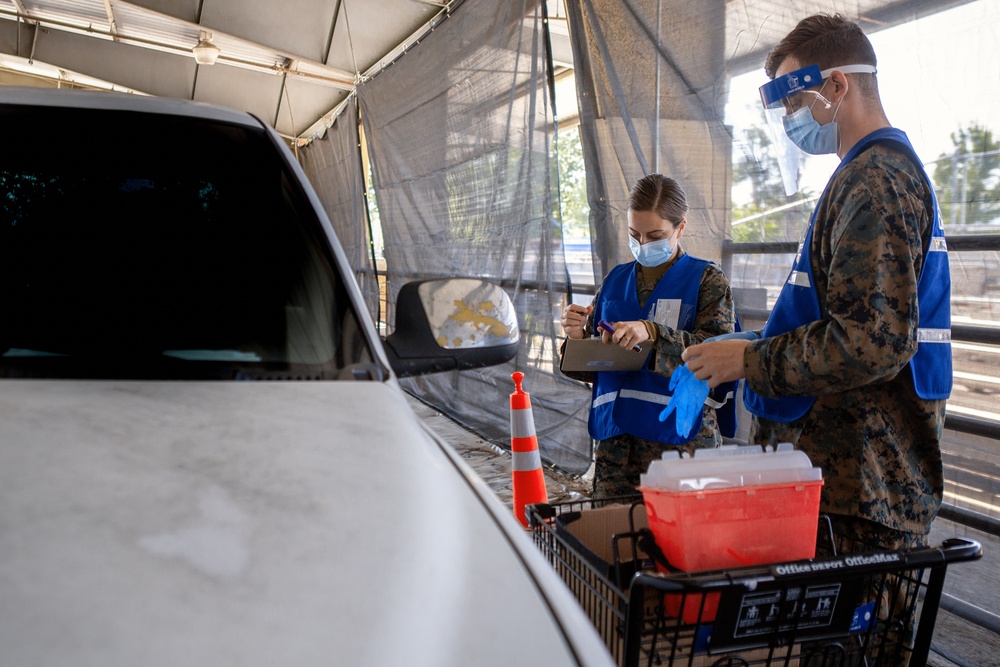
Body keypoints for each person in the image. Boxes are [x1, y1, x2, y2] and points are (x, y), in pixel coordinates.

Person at [682, 14, 952, 555]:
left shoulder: (877, 182)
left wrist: (751, 362)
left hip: (861, 496)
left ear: (836, 85)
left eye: (794, 103)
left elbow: (873, 342)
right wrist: (751, 349)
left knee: (850, 641)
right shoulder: (864, 176)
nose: (790, 121)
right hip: (844, 489)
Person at [560, 174, 738, 499]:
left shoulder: (706, 280)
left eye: (655, 236)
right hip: (617, 448)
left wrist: (653, 332)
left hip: (681, 444)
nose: (642, 244)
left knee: (683, 540)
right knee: (614, 536)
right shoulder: (615, 281)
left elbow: (720, 357)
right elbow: (593, 366)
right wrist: (576, 338)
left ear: (680, 228)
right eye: (634, 234)